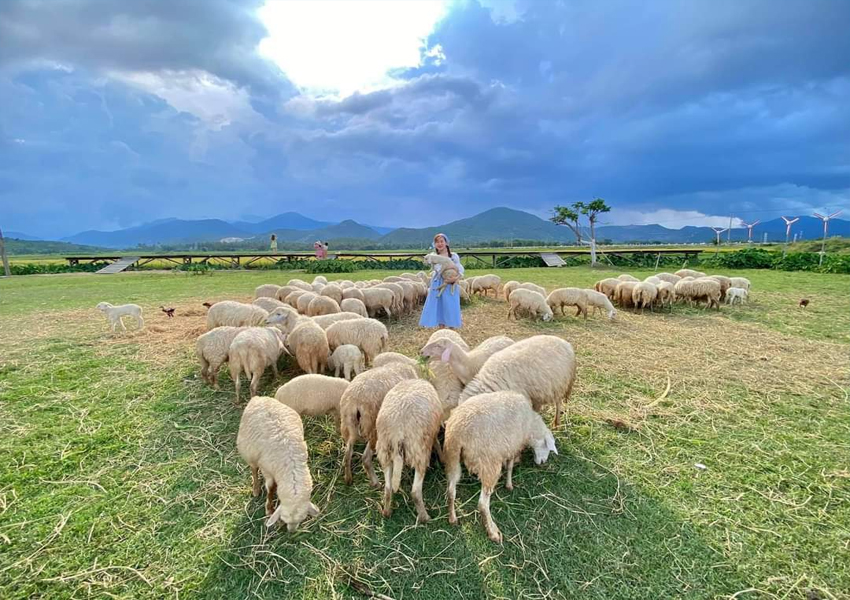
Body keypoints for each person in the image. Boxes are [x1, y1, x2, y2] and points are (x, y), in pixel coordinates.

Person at [419, 233, 464, 329]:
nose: (439, 244)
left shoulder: (453, 256)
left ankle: (452, 329)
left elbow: (459, 269)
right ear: (434, 244)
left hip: (451, 283)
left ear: (446, 243)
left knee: (451, 305)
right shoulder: (434, 257)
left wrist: (455, 279)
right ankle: (441, 329)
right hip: (438, 282)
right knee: (439, 305)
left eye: (441, 241)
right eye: (437, 242)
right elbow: (436, 268)